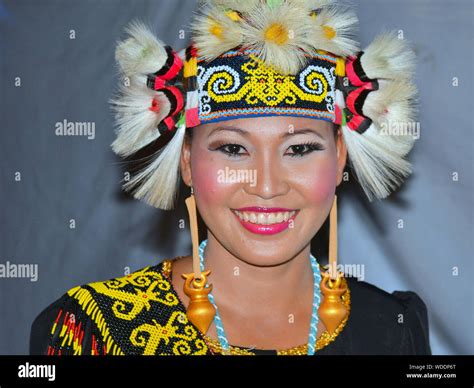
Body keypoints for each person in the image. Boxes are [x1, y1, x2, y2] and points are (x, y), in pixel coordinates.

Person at [30, 0, 431, 355]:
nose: (267, 185)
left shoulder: (393, 328)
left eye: (300, 149)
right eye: (233, 149)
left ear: (341, 156)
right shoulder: (92, 332)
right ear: (186, 159)